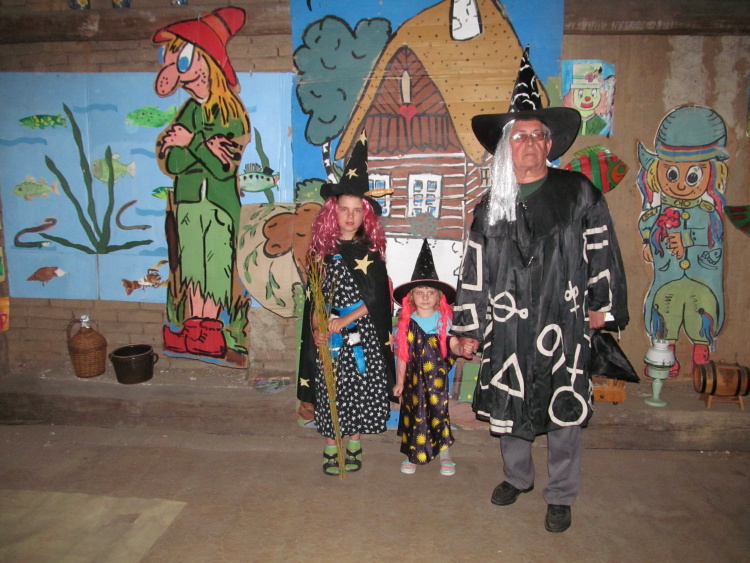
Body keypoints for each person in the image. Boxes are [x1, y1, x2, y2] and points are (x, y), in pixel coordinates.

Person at [452, 53, 627, 533]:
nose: (528, 143)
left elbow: (602, 248)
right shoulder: (491, 206)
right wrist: (468, 328)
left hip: (563, 319)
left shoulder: (578, 192)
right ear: (506, 146)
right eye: (519, 135)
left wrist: (602, 306)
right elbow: (474, 271)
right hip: (508, 324)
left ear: (549, 144)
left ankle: (561, 494)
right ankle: (517, 477)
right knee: (509, 402)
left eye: (537, 135)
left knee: (564, 407)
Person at [153, 7, 251, 366]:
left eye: (183, 57)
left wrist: (191, 142)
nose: (176, 69)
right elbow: (173, 163)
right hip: (189, 201)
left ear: (207, 61)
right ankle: (194, 329)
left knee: (216, 267)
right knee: (193, 267)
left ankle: (211, 330)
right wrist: (200, 147)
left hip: (220, 205)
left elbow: (224, 167)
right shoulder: (189, 111)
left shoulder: (231, 111)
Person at [297, 132, 395, 476]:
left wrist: (348, 318)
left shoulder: (371, 254)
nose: (350, 217)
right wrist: (318, 328)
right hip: (330, 335)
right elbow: (314, 301)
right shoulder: (321, 254)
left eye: (357, 211)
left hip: (361, 334)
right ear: (332, 212)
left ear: (365, 216)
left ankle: (353, 442)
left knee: (356, 388)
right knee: (329, 387)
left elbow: (378, 300)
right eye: (344, 210)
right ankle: (329, 444)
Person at [392, 239, 470, 476]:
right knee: (413, 415)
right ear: (411, 297)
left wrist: (462, 349)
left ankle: (445, 454)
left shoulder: (444, 322)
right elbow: (403, 356)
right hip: (413, 382)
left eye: (430, 292)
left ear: (439, 297)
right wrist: (400, 381)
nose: (425, 297)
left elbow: (453, 345)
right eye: (420, 292)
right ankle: (412, 454)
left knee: (438, 415)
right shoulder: (406, 325)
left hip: (437, 381)